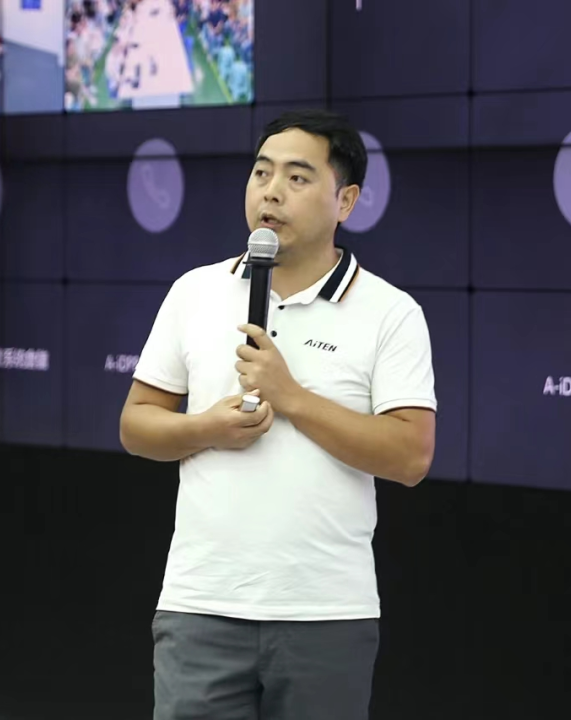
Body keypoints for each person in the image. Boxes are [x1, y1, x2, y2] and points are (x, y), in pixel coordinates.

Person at [119, 108, 438, 720]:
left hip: (325, 613)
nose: (271, 191)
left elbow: (410, 456)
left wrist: (291, 397)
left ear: (345, 201)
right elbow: (137, 425)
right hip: (201, 603)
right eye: (261, 172)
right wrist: (205, 428)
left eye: (297, 177)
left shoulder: (390, 312)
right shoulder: (195, 291)